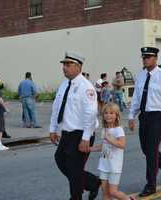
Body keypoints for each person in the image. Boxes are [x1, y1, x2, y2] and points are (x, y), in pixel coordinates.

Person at [49, 52, 100, 200]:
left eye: (68, 64)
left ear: (78, 66)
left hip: (82, 133)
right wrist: (53, 129)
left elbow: (90, 114)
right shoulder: (64, 84)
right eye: (63, 65)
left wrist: (85, 138)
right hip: (67, 133)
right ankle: (92, 183)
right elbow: (56, 107)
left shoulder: (86, 87)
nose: (64, 68)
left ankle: (76, 197)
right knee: (60, 160)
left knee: (74, 168)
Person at [129, 47, 161, 197]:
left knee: (151, 151)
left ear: (155, 58)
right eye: (143, 57)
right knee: (146, 150)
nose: (145, 59)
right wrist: (131, 116)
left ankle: (150, 185)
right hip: (144, 117)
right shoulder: (140, 76)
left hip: (158, 117)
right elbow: (136, 98)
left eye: (148, 57)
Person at [90, 103, 136, 200]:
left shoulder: (118, 130)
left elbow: (122, 145)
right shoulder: (105, 129)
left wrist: (110, 139)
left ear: (116, 116)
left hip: (114, 166)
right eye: (106, 113)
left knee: (113, 192)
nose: (108, 115)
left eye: (111, 113)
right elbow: (104, 146)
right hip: (104, 164)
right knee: (104, 191)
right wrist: (91, 149)